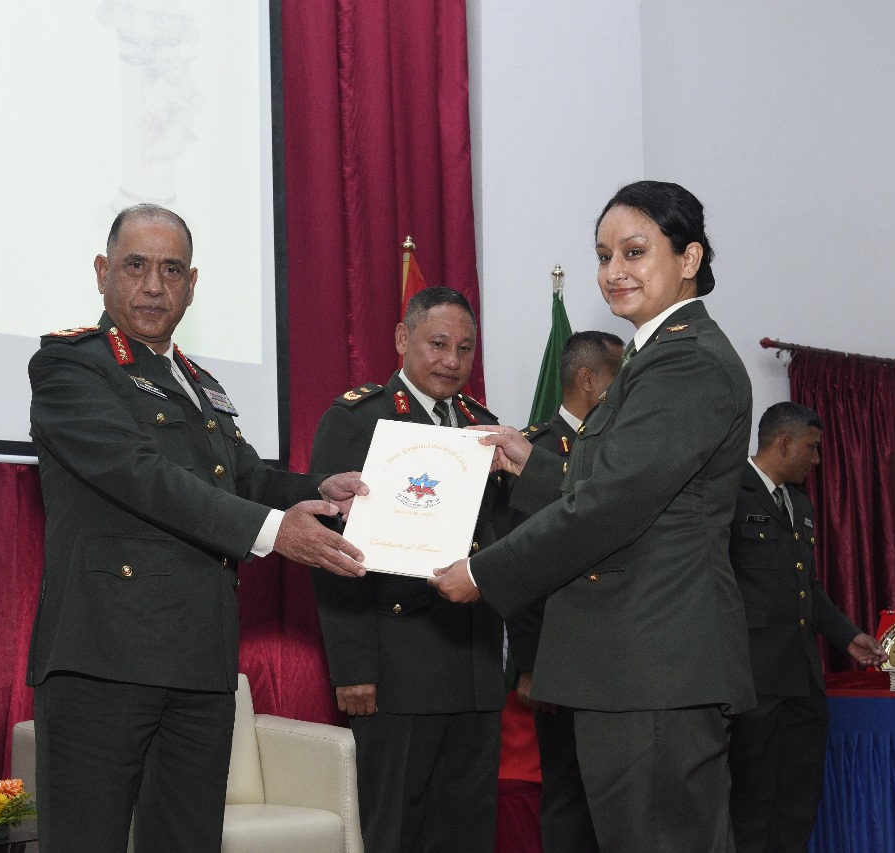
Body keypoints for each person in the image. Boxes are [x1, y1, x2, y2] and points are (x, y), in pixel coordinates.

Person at [26, 203, 368, 853]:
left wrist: (318, 490)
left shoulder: (197, 382)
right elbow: (141, 474)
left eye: (171, 270)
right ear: (102, 273)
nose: (154, 286)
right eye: (135, 266)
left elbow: (242, 477)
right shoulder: (70, 367)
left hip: (200, 662)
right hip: (103, 661)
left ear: (192, 283)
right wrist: (273, 530)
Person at [431, 180, 756, 852]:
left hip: (655, 666)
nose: (613, 272)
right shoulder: (652, 355)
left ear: (689, 257)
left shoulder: (687, 361)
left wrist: (483, 573)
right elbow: (627, 487)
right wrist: (532, 462)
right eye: (604, 256)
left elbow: (608, 507)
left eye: (634, 252)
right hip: (634, 666)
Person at [309, 286, 509, 853]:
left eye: (465, 348)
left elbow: (500, 542)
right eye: (438, 344)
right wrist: (354, 667)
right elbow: (331, 551)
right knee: (394, 832)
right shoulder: (358, 419)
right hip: (396, 669)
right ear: (402, 339)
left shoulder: (483, 428)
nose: (452, 361)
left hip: (473, 664)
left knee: (467, 834)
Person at [726, 401, 887, 853]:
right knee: (752, 804)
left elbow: (807, 587)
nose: (816, 460)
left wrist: (849, 636)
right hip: (754, 681)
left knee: (798, 802)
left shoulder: (798, 502)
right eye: (811, 448)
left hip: (802, 678)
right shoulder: (730, 493)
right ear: (784, 443)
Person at [508, 330, 623, 853]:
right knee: (569, 793)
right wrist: (531, 664)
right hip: (561, 656)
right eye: (621, 375)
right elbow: (523, 565)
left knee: (616, 794)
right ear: (589, 379)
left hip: (621, 655)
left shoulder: (621, 450)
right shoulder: (533, 450)